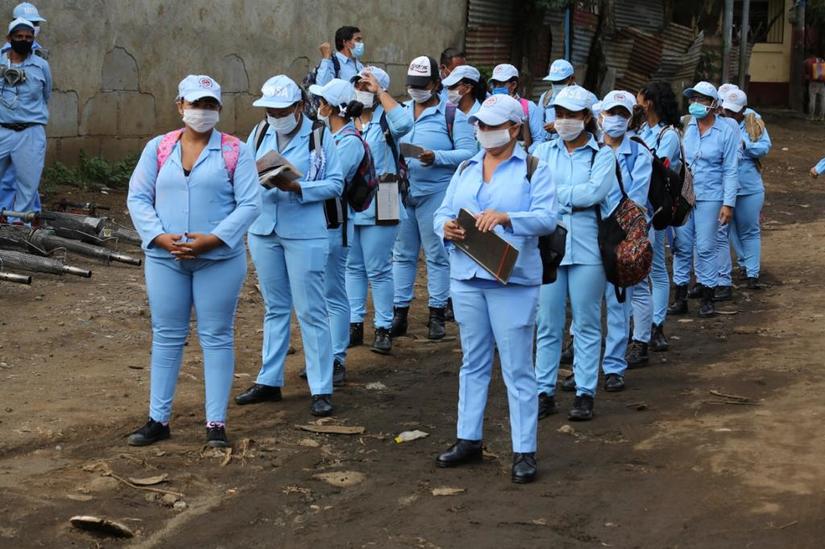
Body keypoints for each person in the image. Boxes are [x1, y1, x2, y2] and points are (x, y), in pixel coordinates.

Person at [126, 75, 262, 448]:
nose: (201, 112)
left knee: (216, 336)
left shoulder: (236, 151)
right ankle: (158, 419)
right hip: (166, 256)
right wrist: (158, 235)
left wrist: (214, 239)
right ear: (179, 105)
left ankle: (215, 423)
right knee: (167, 335)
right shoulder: (158, 148)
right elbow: (138, 197)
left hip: (217, 258)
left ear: (218, 109)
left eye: (209, 105)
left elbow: (251, 203)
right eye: (195, 104)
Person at [433, 94, 557, 484]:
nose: (482, 131)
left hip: (512, 280)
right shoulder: (467, 168)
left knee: (518, 366)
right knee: (472, 360)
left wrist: (507, 217)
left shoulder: (534, 168)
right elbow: (443, 210)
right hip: (468, 275)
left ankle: (524, 450)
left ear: (515, 128)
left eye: (490, 125)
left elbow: (547, 218)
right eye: (479, 125)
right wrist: (445, 228)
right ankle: (468, 438)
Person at [234, 75, 344, 417]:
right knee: (275, 307)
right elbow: (244, 173)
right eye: (269, 108)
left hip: (305, 231)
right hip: (265, 229)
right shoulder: (260, 132)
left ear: (299, 107)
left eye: (281, 109)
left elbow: (336, 184)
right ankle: (269, 380)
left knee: (311, 310)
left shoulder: (320, 135)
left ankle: (321, 387)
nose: (274, 114)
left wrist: (298, 188)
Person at [533, 85, 617, 421]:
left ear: (586, 117)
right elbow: (533, 190)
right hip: (548, 246)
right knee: (547, 322)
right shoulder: (542, 151)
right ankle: (544, 390)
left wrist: (555, 194)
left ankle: (584, 391)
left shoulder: (602, 155)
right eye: (559, 114)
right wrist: (569, 194)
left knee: (586, 322)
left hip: (587, 247)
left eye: (571, 114)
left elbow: (595, 192)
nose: (564, 120)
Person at [391, 56, 475, 340]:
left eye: (422, 85)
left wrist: (435, 156)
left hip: (436, 192)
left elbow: (469, 154)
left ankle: (436, 313)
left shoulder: (452, 116)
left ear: (436, 84)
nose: (416, 90)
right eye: (412, 85)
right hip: (402, 192)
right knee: (402, 254)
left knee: (437, 255)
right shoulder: (400, 111)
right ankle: (399, 312)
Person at [347, 67, 413, 354]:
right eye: (359, 84)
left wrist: (379, 91)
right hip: (350, 200)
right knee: (353, 266)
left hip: (383, 195)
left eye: (368, 85)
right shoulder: (348, 119)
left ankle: (383, 327)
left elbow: (405, 124)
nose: (362, 88)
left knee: (379, 268)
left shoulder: (387, 121)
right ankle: (354, 324)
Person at [307, 78, 366, 384]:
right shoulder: (326, 137)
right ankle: (322, 356)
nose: (317, 107)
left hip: (336, 225)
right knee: (317, 294)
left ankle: (337, 358)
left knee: (333, 292)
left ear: (331, 107)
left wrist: (297, 183)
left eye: (321, 102)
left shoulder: (349, 142)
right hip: (317, 225)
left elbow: (332, 182)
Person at [597, 91, 653, 392]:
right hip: (588, 233)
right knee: (585, 306)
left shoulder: (639, 153)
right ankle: (582, 367)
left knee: (619, 302)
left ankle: (614, 367)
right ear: (600, 115)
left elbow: (637, 200)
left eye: (621, 113)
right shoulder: (590, 148)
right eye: (610, 113)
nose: (615, 119)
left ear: (630, 118)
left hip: (620, 235)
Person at [676, 81, 738, 317]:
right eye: (693, 99)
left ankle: (708, 297)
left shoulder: (726, 132)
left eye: (701, 100)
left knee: (705, 247)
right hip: (685, 195)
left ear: (713, 104)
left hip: (711, 196)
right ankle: (680, 297)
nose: (696, 104)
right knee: (682, 246)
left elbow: (731, 169)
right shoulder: (687, 126)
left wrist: (728, 203)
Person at [635, 81, 683, 351]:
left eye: (639, 100)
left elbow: (658, 167)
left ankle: (656, 325)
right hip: (639, 208)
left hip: (657, 209)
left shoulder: (669, 135)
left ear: (649, 102)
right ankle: (643, 324)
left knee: (656, 271)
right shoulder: (644, 129)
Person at [720, 88, 771, 289]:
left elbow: (765, 146)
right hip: (724, 186)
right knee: (728, 228)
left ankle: (752, 273)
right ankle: (742, 262)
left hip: (749, 185)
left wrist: (745, 146)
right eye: (727, 111)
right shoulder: (718, 123)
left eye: (734, 112)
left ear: (743, 109)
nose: (730, 115)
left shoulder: (752, 122)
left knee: (750, 229)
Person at [0, 17, 50, 215]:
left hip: (30, 132)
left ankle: (18, 227)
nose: (24, 40)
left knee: (27, 186)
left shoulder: (41, 66)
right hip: (2, 129)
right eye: (19, 36)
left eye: (28, 37)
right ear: (9, 38)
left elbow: (46, 95)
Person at [488, 63, 545, 151]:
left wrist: (526, 155)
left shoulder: (529, 107)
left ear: (513, 85)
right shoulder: (489, 106)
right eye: (495, 84)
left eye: (501, 84)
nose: (496, 88)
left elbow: (539, 139)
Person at [441, 64, 484, 150]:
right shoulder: (447, 111)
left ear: (468, 88)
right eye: (448, 87)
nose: (449, 90)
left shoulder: (482, 116)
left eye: (452, 86)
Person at [537, 59, 576, 144]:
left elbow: (588, 124)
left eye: (561, 81)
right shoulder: (546, 97)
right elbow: (539, 126)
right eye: (554, 82)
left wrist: (561, 126)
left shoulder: (583, 98)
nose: (557, 85)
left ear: (572, 79)